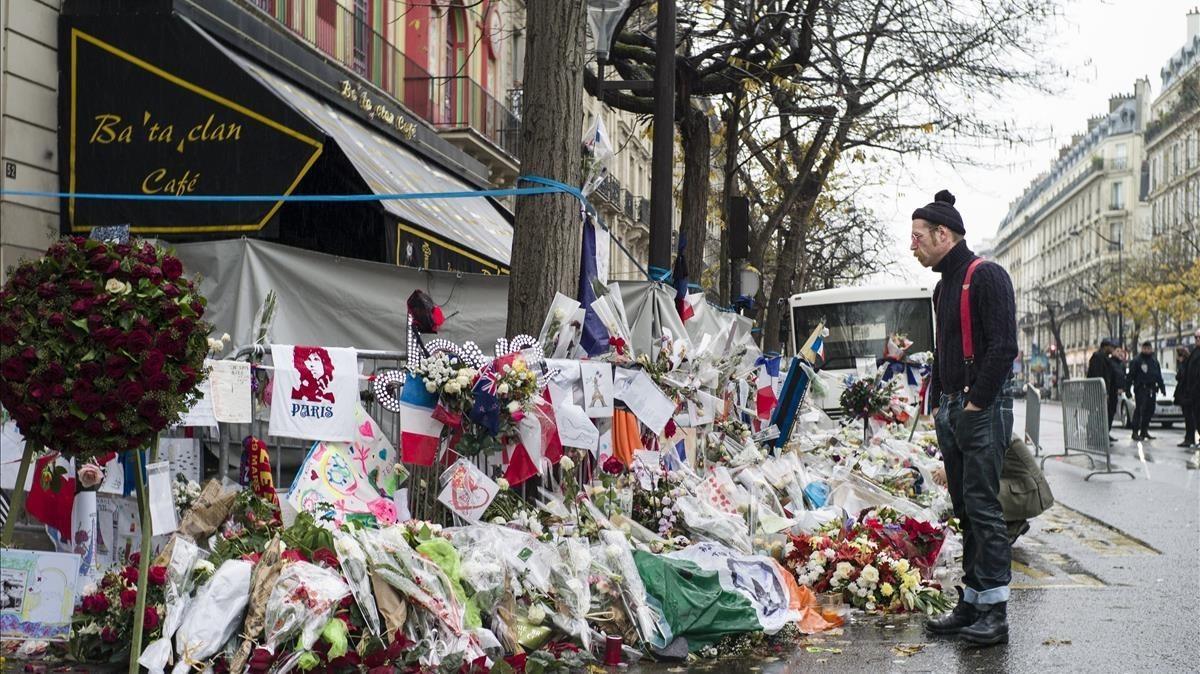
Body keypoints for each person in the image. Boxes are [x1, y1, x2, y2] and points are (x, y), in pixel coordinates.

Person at [910, 190, 1018, 646]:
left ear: (943, 234)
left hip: (982, 407)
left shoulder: (986, 275)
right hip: (953, 408)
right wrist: (938, 399)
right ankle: (973, 601)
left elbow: (1002, 346)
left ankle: (994, 611)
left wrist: (974, 403)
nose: (912, 246)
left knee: (985, 509)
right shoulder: (942, 287)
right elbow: (946, 349)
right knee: (965, 509)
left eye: (918, 237)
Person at [931, 435, 1054, 543]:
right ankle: (1006, 522)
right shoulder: (990, 425)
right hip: (1018, 486)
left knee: (976, 491)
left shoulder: (995, 431)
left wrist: (950, 473)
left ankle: (1012, 524)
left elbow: (978, 467)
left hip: (1028, 492)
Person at [1127, 342, 1166, 441]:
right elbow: (1130, 376)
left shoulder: (1154, 361)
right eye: (1145, 348)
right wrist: (1127, 389)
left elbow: (1158, 375)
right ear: (1142, 348)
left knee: (1150, 410)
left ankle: (1144, 431)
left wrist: (1162, 387)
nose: (1147, 350)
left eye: (1149, 348)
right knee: (1139, 410)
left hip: (1152, 389)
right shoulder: (1137, 361)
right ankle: (1135, 432)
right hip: (1141, 389)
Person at [1086, 338, 1121, 441]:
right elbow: (1099, 375)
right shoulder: (1098, 357)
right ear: (1105, 347)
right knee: (1096, 414)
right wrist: (1103, 391)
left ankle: (1103, 434)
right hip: (1097, 392)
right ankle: (1093, 436)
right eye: (1111, 347)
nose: (1112, 349)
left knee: (1104, 414)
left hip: (1105, 391)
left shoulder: (1105, 358)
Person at [1182, 330, 1200, 449]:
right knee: (1196, 417)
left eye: (1199, 337)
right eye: (1195, 337)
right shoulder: (1195, 352)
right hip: (1193, 393)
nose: (1197, 339)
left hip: (1197, 391)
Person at [1176, 346, 1195, 448]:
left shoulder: (1185, 364)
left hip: (1186, 394)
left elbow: (1181, 376)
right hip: (1186, 394)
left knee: (1189, 418)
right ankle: (1188, 438)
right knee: (1188, 418)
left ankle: (1189, 438)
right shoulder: (1188, 363)